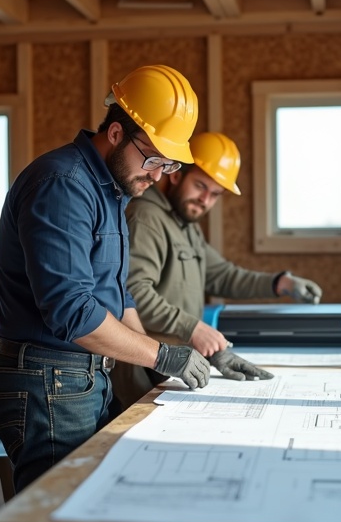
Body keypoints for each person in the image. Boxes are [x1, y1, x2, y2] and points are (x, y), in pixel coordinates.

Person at [0, 64, 212, 522]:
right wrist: (163, 353)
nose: (157, 176)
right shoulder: (62, 184)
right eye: (153, 159)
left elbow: (118, 296)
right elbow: (72, 311)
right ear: (115, 133)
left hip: (81, 378)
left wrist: (159, 363)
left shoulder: (111, 189)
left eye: (167, 165)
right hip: (46, 381)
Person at [110, 130, 324, 415]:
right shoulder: (147, 218)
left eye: (215, 194)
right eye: (200, 186)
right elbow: (133, 294)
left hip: (174, 368)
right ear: (176, 174)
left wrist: (279, 283)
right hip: (146, 372)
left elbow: (222, 275)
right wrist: (193, 328)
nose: (205, 200)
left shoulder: (184, 224)